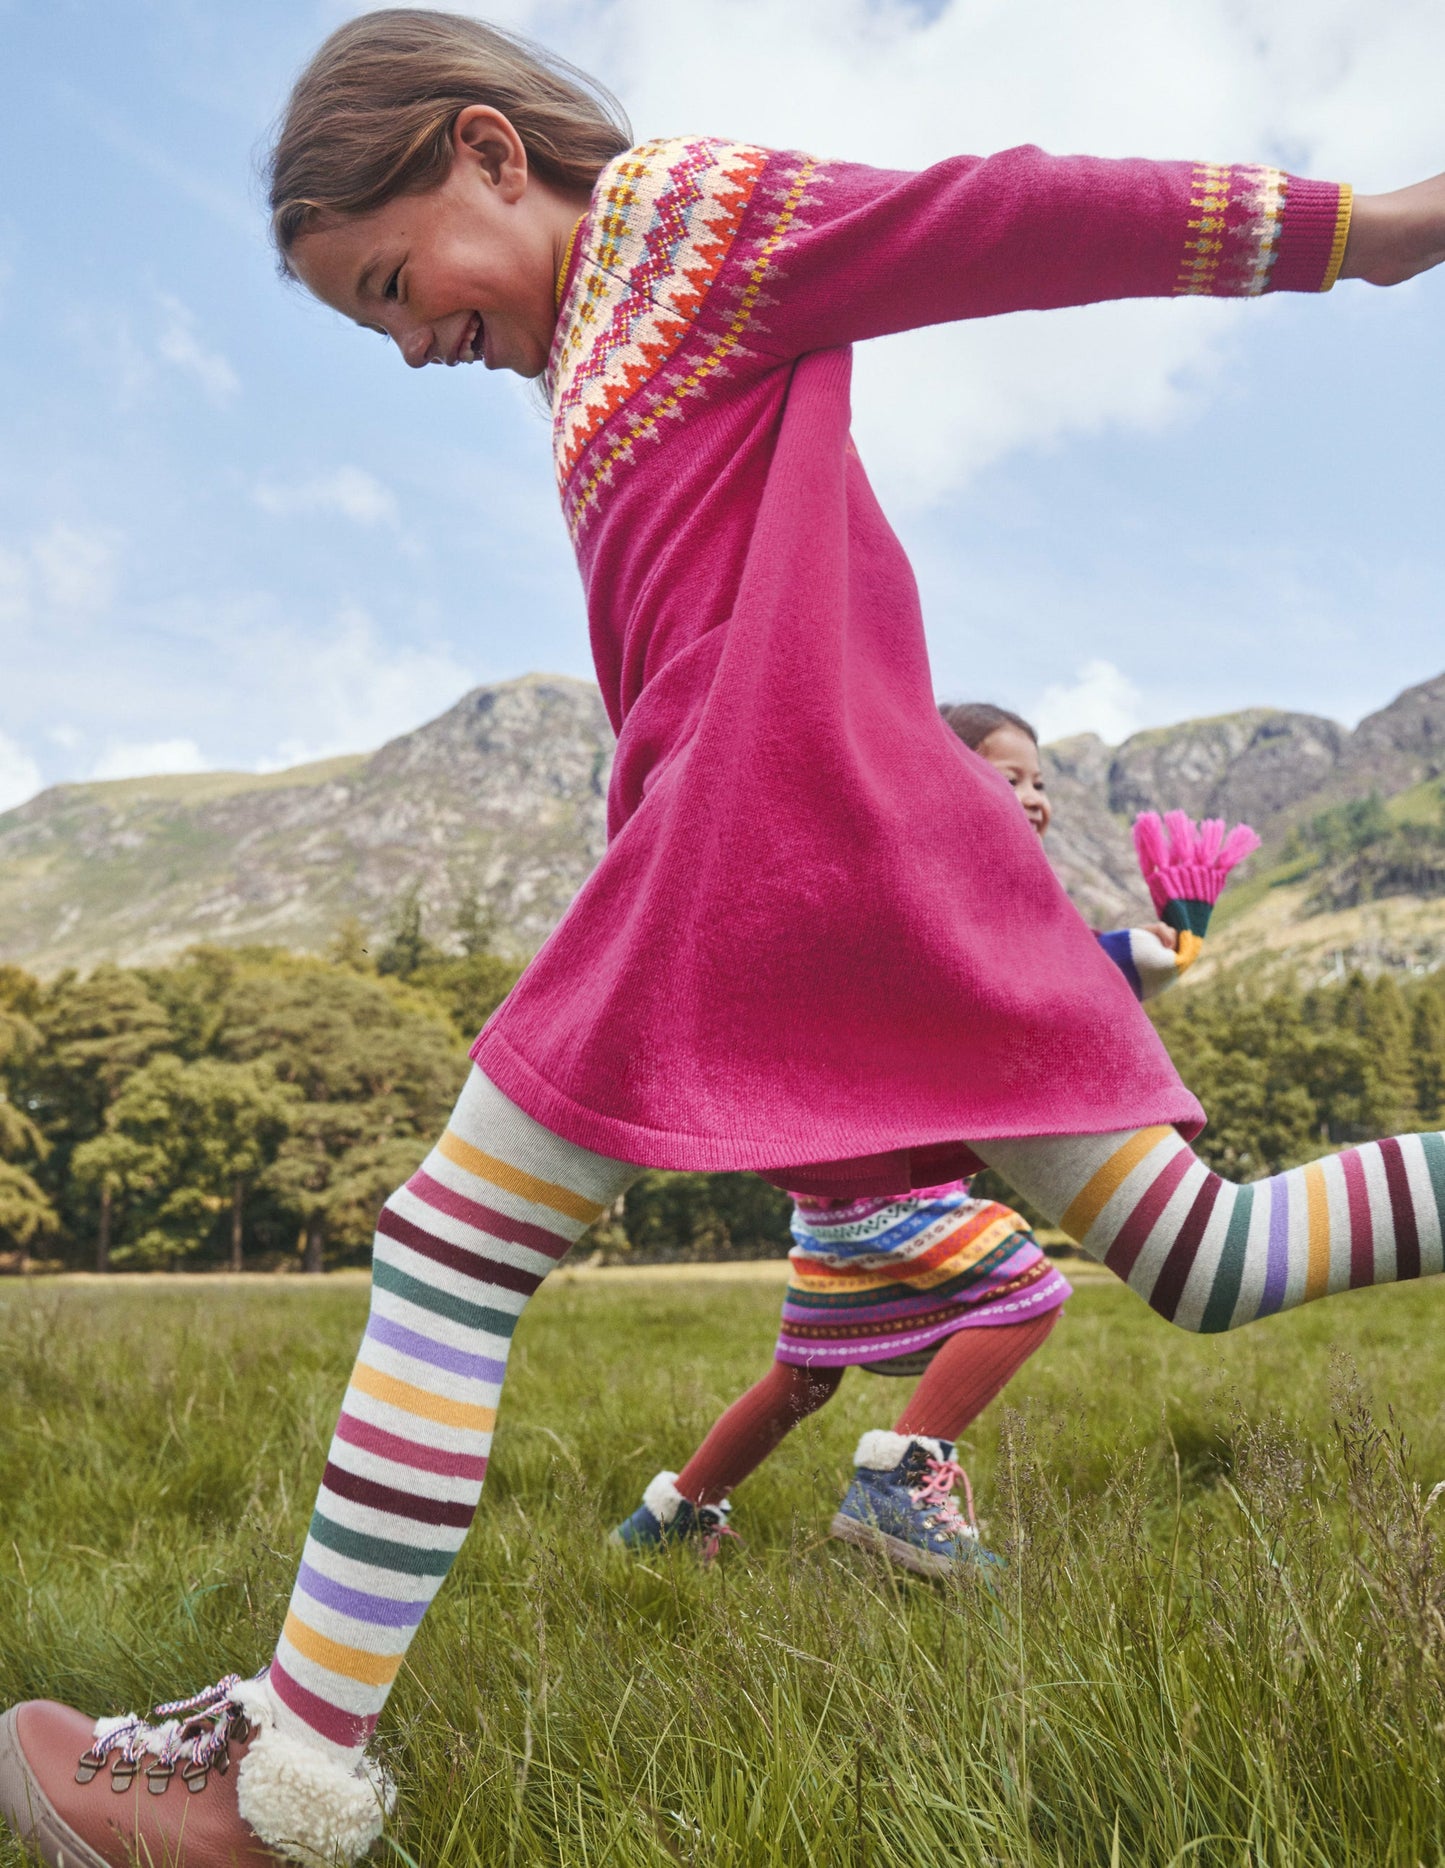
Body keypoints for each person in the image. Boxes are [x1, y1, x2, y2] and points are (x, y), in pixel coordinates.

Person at [4, 11, 1445, 1864]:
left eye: (394, 282)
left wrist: (1370, 229)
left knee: (448, 1249)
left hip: (782, 841)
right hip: (882, 853)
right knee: (1205, 1246)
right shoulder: (594, 339)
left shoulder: (678, 221)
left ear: (485, 152)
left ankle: (277, 1793)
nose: (416, 338)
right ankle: (278, 1767)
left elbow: (1006, 214)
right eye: (374, 326)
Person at [610, 702, 1235, 1579]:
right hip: (883, 1197)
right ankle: (902, 1479)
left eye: (1039, 782)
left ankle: (670, 1518)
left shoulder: (956, 888)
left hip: (835, 1206)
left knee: (802, 1380)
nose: (1031, 797)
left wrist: (1133, 962)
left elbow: (1029, 986)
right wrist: (1126, 959)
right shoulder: (920, 883)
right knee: (1027, 1289)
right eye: (1006, 777)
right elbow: (1003, 982)